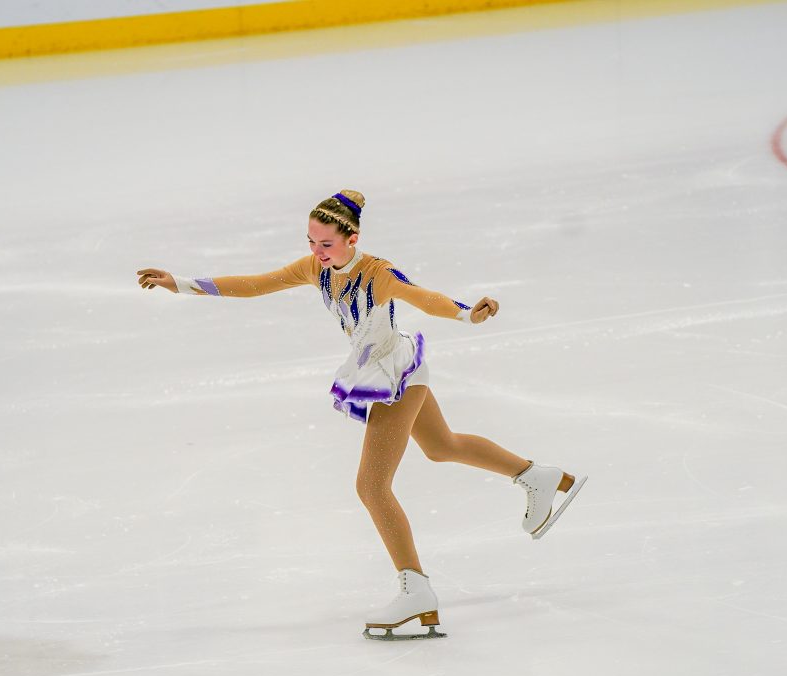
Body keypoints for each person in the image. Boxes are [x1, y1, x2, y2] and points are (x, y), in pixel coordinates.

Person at [136, 190, 587, 641]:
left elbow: (423, 297)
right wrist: (180, 282)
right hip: (393, 368)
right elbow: (257, 284)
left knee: (371, 486)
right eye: (311, 242)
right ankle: (537, 477)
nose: (316, 252)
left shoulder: (378, 272)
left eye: (326, 244)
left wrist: (469, 315)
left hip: (393, 376)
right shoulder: (317, 269)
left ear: (353, 238)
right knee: (441, 446)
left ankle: (416, 590)